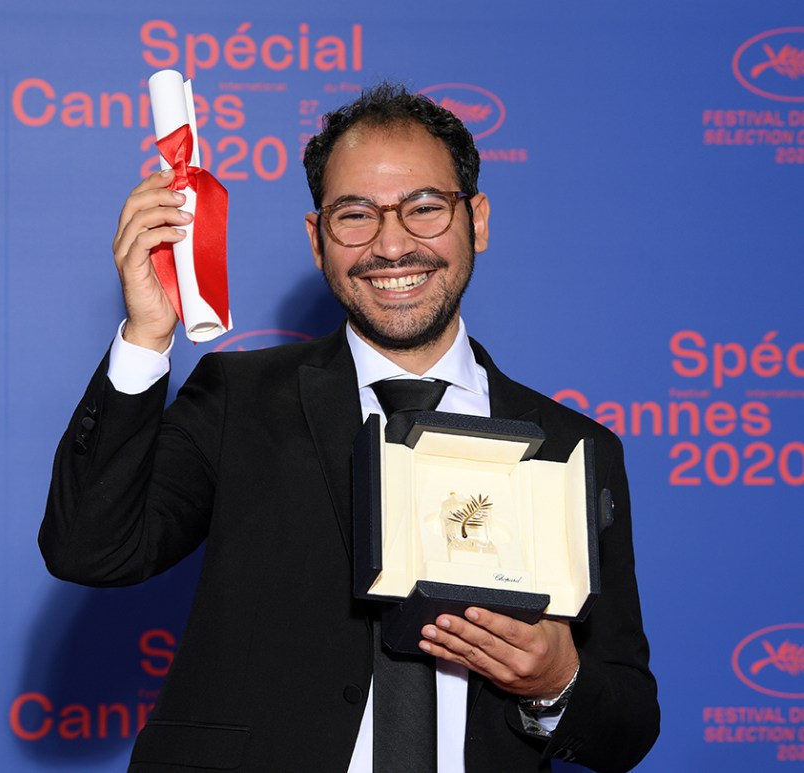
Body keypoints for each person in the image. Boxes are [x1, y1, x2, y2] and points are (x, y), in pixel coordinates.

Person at [40, 83, 659, 772]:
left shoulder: (573, 448)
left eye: (425, 208)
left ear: (477, 220)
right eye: (355, 215)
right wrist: (146, 336)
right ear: (317, 240)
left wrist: (557, 682)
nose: (391, 245)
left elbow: (628, 721)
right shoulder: (238, 399)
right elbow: (91, 550)